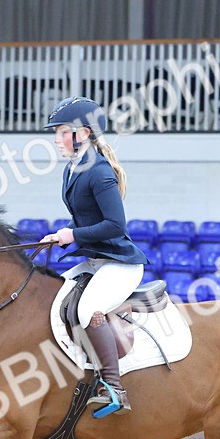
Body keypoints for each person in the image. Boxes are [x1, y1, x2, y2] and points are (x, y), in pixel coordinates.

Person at [40, 96, 148, 417]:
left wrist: (72, 235)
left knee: (88, 309)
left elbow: (115, 224)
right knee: (53, 291)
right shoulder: (73, 170)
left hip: (120, 264)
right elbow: (86, 219)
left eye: (61, 132)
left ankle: (114, 387)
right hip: (96, 260)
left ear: (83, 134)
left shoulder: (99, 172)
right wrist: (61, 234)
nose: (56, 139)